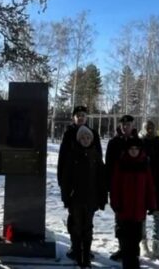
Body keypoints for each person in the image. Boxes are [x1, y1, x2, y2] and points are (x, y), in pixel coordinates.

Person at [57, 105, 102, 261]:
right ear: (73, 118)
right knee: (74, 220)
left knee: (87, 222)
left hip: (90, 189)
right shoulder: (69, 134)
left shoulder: (93, 134)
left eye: (83, 115)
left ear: (86, 117)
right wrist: (61, 182)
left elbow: (98, 160)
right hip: (73, 187)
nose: (80, 117)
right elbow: (62, 159)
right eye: (78, 115)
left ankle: (86, 248)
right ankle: (75, 246)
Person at [110, 137, 156, 269]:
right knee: (125, 239)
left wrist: (151, 204)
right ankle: (127, 262)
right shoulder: (121, 163)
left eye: (136, 149)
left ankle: (134, 261)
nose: (134, 151)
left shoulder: (144, 163)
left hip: (139, 210)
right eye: (131, 149)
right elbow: (115, 185)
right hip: (124, 209)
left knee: (136, 238)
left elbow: (149, 185)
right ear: (127, 150)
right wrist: (115, 203)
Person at [105, 114, 139, 261]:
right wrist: (108, 185)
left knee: (136, 220)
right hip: (118, 186)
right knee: (120, 219)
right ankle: (122, 248)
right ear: (120, 126)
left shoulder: (138, 142)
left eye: (129, 124)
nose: (126, 127)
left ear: (133, 126)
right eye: (124, 125)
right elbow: (108, 165)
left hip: (136, 186)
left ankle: (134, 250)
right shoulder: (113, 143)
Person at [139, 120, 159, 258]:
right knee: (141, 215)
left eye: (151, 127)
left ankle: (156, 243)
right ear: (143, 129)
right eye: (146, 127)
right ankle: (143, 242)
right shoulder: (138, 144)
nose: (149, 129)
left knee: (158, 216)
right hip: (142, 185)